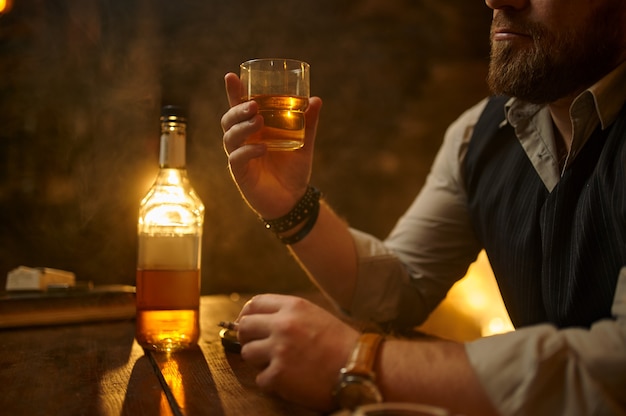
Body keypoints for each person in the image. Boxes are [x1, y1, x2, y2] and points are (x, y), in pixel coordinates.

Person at [220, 0, 626, 414]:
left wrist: (357, 361)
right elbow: (400, 289)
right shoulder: (478, 133)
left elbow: (614, 368)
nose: (497, 0)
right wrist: (290, 203)